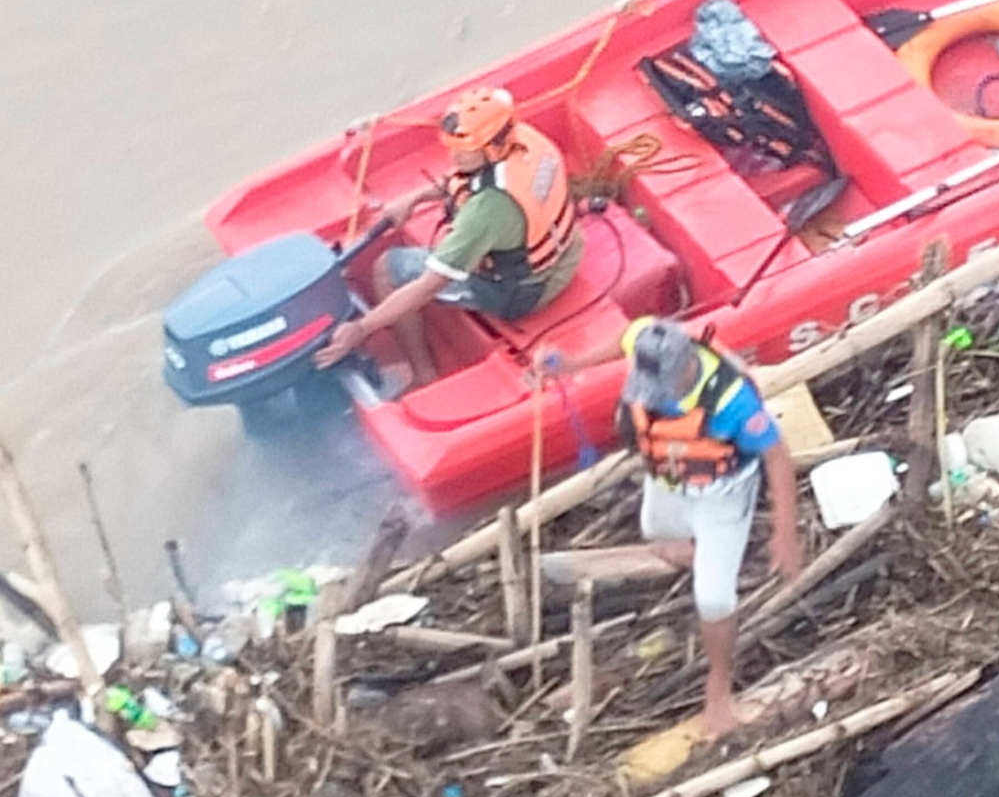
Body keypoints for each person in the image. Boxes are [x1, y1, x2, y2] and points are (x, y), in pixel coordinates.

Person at [548, 318, 802, 739]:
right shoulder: (652, 342)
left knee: (714, 597)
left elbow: (777, 457)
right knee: (656, 533)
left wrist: (785, 534)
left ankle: (718, 686)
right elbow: (627, 333)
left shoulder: (732, 402)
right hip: (668, 479)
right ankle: (700, 557)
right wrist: (572, 363)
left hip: (722, 495)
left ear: (686, 369)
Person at [316, 86, 583, 382]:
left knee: (387, 269)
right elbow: (470, 179)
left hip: (521, 292)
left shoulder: (488, 211)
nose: (454, 157)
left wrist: (362, 328)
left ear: (492, 147)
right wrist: (415, 198)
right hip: (566, 253)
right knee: (463, 239)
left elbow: (430, 284)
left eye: (464, 152)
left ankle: (424, 374)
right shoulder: (526, 141)